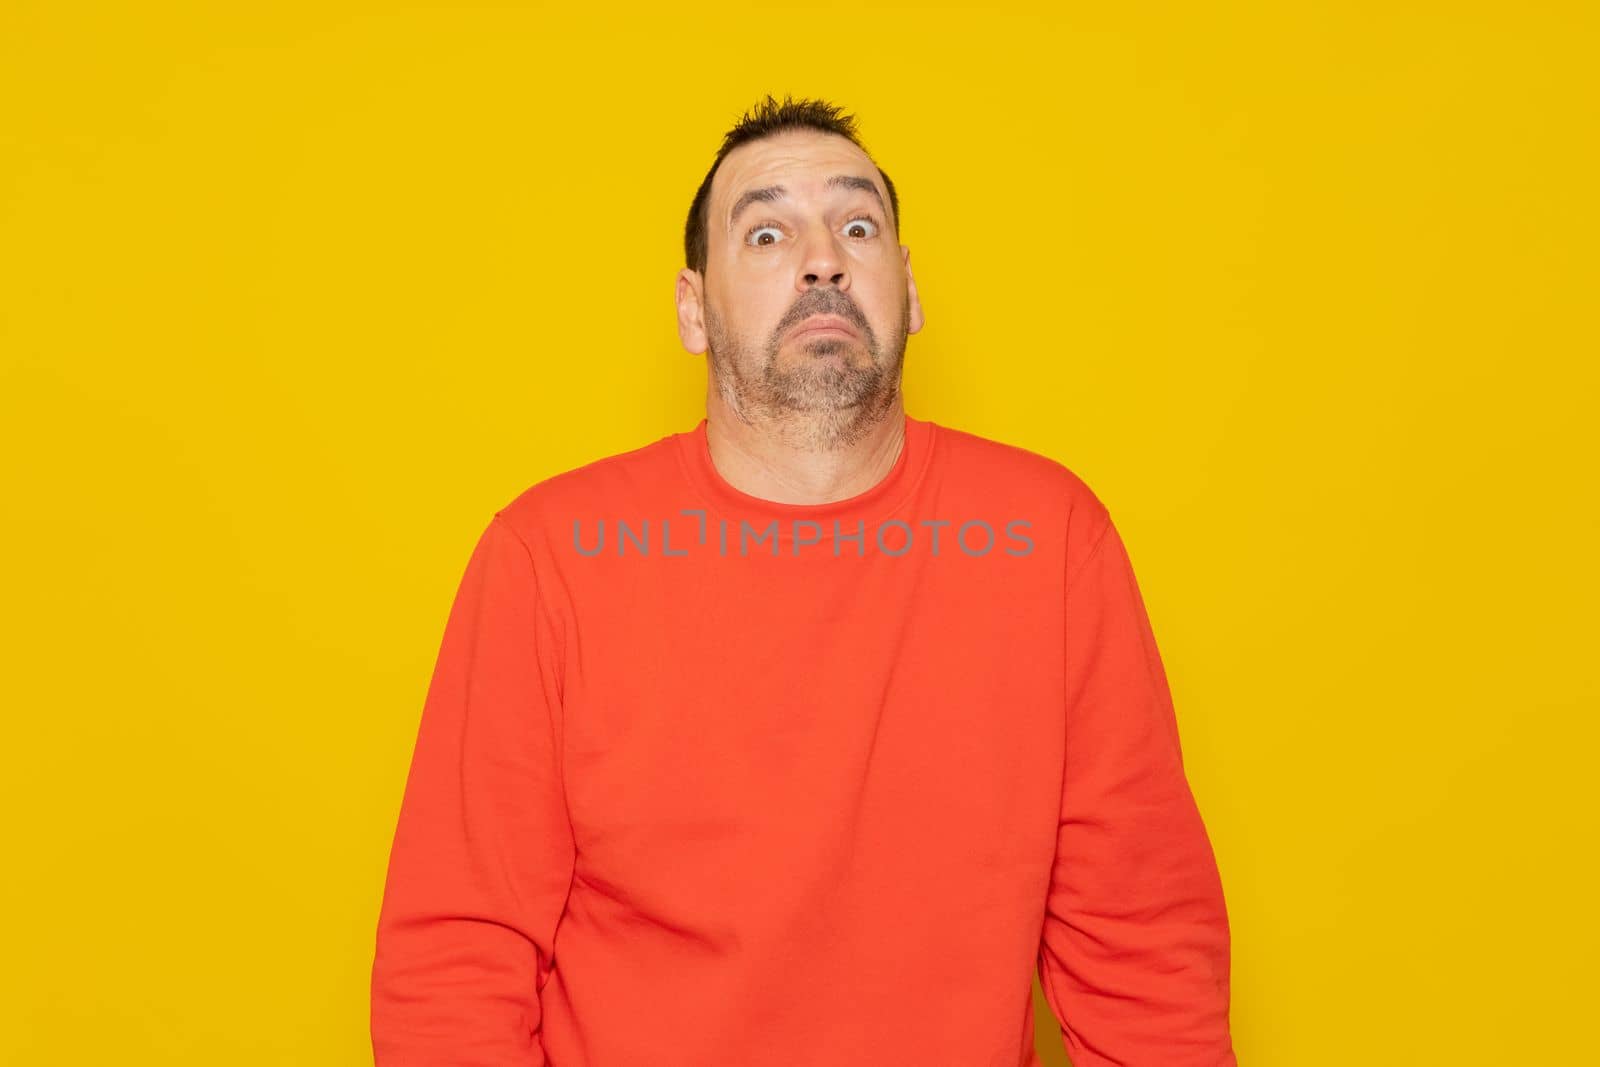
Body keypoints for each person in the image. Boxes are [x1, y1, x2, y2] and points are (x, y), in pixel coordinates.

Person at [369, 93, 1237, 1066]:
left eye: (856, 225)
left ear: (907, 289)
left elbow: (1143, 956)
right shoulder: (549, 556)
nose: (822, 257)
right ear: (693, 308)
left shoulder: (1050, 539)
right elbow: (455, 966)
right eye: (769, 231)